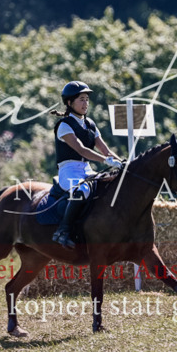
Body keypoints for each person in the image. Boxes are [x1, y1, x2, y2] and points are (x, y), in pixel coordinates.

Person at [50, 81, 122, 248]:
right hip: (68, 171)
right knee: (81, 190)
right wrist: (106, 161)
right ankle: (63, 231)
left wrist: (122, 162)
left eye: (87, 99)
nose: (85, 103)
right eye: (81, 99)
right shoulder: (64, 125)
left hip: (86, 169)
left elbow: (105, 149)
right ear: (69, 102)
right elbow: (81, 150)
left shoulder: (90, 124)